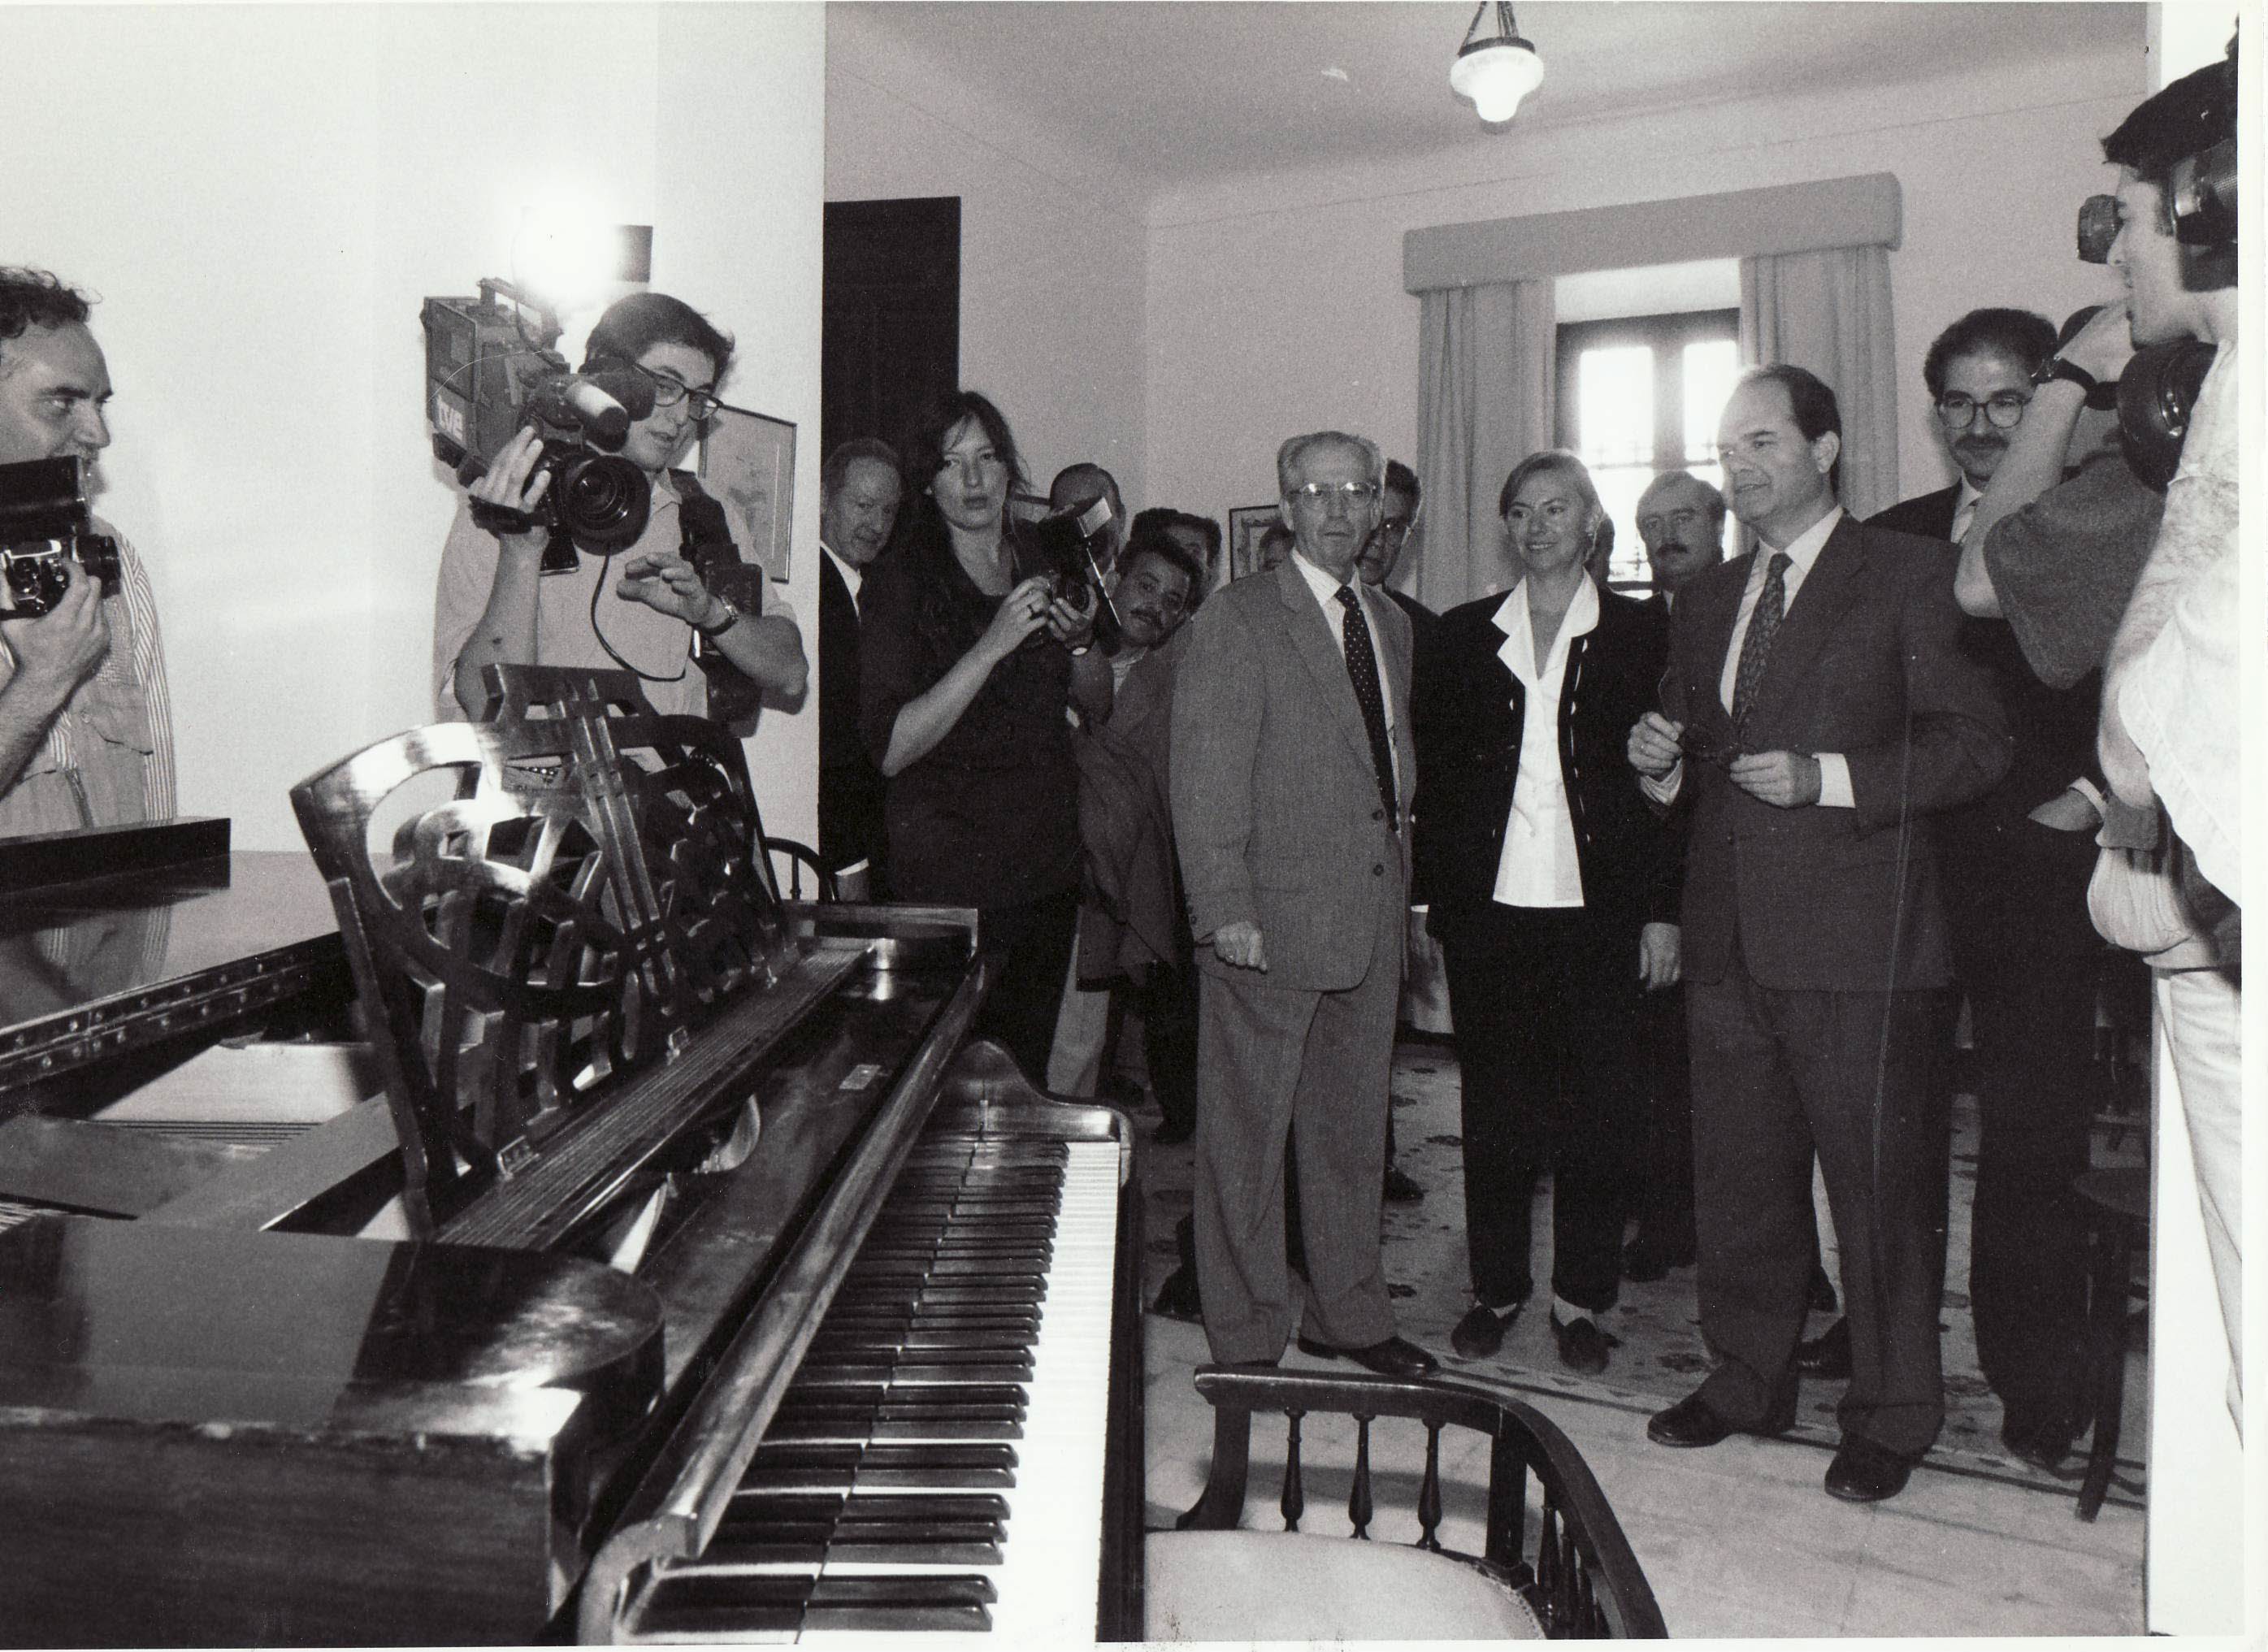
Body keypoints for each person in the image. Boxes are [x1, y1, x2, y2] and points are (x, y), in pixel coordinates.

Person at [1627, 365, 2009, 1503]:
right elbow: (1694, 752)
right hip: (1728, 939)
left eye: (1762, 443)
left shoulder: (1909, 574)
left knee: (1878, 1191)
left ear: (1826, 449)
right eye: (1725, 448)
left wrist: (1827, 775)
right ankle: (1746, 1375)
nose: (1737, 468)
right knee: (1737, 1179)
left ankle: (1893, 1411)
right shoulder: (1706, 598)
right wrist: (1656, 766)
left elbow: (1973, 745)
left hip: (1863, 943)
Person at [1965, 51, 2241, 1424]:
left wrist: (2076, 380)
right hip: (2056, 875)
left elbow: (1991, 579)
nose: (2116, 247)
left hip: (2181, 872)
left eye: (2128, 217)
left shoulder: (2153, 441)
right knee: (2035, 1144)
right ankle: (2053, 1388)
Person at [1851, 307, 2107, 1468]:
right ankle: (1888, 1368)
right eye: (1955, 401)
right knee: (1887, 1140)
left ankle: (2031, 1380)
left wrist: (2098, 796)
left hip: (2040, 879)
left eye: (2005, 399)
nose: (1977, 424)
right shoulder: (1896, 538)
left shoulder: (2089, 520)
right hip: (1906, 879)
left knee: (2027, 1142)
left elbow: (2149, 664)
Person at [1171, 428, 1434, 1378]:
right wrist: (1222, 908)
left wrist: (1405, 902)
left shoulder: (1390, 621)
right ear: (1285, 508)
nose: (1335, 508)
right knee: (1244, 1144)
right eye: (1313, 492)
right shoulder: (1239, 617)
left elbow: (1385, 774)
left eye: (1354, 491)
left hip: (1365, 921)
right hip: (1264, 925)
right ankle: (1244, 1336)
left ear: (1376, 508)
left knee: (1350, 1135)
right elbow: (1203, 777)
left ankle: (1347, 1315)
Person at [1414, 450, 1678, 1373]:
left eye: (1555, 507)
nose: (1536, 526)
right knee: (1496, 1111)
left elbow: (1671, 791)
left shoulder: (1648, 634)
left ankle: (1580, 1296)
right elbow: (1439, 790)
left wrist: (1661, 911)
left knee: (1598, 1111)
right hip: (1493, 913)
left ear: (1591, 521)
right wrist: (1438, 909)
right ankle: (1495, 1288)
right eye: (1520, 510)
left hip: (1599, 911)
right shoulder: (1457, 635)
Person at [860, 391, 1112, 1079]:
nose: (972, 481)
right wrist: (990, 646)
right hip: (950, 878)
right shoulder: (898, 580)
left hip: (1045, 866)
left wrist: (1085, 643)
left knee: (1024, 1076)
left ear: (1009, 468)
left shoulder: (1043, 553)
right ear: (927, 480)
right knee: (950, 1088)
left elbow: (1098, 702)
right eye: (950, 463)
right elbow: (891, 749)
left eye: (986, 458)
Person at [434, 292, 806, 722]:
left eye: (699, 398)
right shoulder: (508, 495)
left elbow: (792, 674)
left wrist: (710, 613)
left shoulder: (707, 510)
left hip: (663, 784)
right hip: (543, 785)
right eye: (666, 387)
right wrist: (521, 551)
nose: (682, 416)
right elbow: (487, 705)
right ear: (605, 379)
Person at [0, 269, 173, 839]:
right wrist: (43, 680)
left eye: (99, 403)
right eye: (60, 404)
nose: (98, 434)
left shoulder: (108, 554)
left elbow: (154, 806)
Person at [1619, 468, 1728, 1284]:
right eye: (1650, 523)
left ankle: (1788, 1261)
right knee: (1657, 1069)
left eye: (1683, 517)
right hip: (1656, 872)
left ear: (1719, 521)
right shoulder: (1631, 630)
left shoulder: (1759, 604)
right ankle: (1666, 1222)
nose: (1666, 536)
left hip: (1749, 872)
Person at [1356, 457, 1433, 1206]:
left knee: (1378, 1037)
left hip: (1390, 869)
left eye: (1396, 527)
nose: (1380, 540)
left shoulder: (1419, 632)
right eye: (1373, 518)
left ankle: (1373, 1156)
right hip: (1307, 879)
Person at [817, 437, 902, 900]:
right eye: (864, 505)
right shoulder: (819, 590)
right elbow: (836, 744)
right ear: (825, 500)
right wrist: (852, 860)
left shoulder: (860, 588)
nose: (877, 524)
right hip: (843, 838)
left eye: (889, 512)